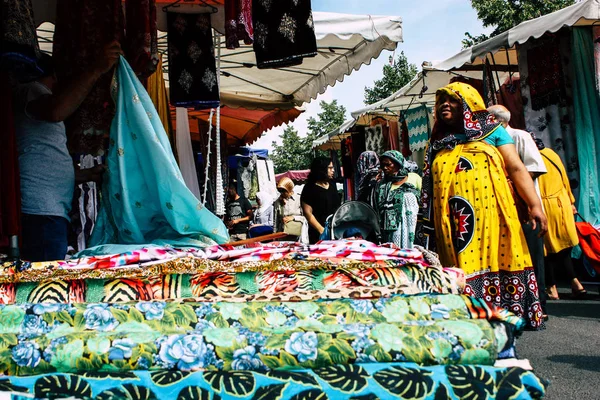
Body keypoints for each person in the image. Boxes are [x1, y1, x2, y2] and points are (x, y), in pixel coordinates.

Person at [422, 82, 548, 329]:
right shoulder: (437, 141)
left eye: (453, 100)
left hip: (493, 217)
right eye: (441, 101)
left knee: (495, 258)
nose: (445, 105)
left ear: (469, 104)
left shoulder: (492, 132)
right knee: (456, 265)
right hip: (452, 223)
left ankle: (500, 312)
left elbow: (515, 167)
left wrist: (534, 205)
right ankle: (464, 313)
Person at [12, 42, 122, 262]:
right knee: (43, 283)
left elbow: (44, 158)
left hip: (47, 211)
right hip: (40, 212)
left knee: (46, 277)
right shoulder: (31, 90)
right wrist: (95, 69)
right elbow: (56, 111)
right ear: (53, 75)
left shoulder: (36, 98)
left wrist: (86, 175)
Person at [488, 104, 549, 310]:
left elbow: (533, 168)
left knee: (532, 255)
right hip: (504, 209)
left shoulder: (520, 136)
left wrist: (505, 182)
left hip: (523, 208)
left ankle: (539, 304)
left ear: (498, 120)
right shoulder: (491, 141)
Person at [536, 140, 586, 299]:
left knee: (547, 250)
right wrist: (571, 202)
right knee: (565, 247)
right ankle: (576, 283)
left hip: (546, 206)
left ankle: (552, 288)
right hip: (562, 203)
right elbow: (565, 180)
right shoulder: (552, 154)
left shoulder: (530, 159)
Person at [374, 150, 419, 248]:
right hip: (391, 231)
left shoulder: (414, 178)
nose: (385, 168)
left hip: (414, 226)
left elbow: (424, 200)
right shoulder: (382, 185)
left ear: (398, 163)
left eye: (388, 164)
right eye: (382, 165)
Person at [301, 157, 341, 244]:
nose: (333, 170)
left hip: (335, 232)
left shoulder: (332, 185)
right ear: (321, 169)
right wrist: (321, 230)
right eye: (330, 168)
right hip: (318, 234)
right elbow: (307, 213)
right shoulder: (309, 188)